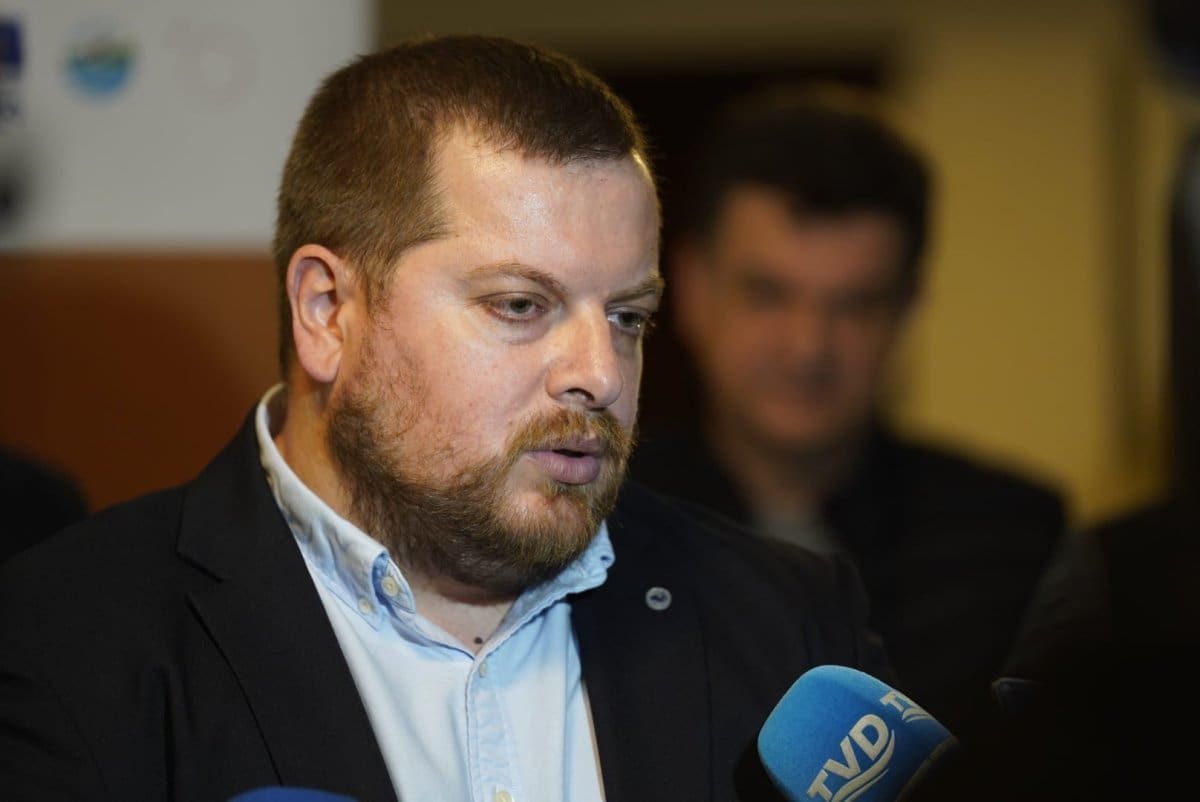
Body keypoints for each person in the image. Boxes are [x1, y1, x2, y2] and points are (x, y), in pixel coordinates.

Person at [0, 36, 892, 802]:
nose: (599, 373)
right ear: (326, 312)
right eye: (519, 305)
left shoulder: (788, 628)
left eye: (627, 316)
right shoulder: (67, 643)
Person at [628, 88, 1066, 743]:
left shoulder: (1014, 545)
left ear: (908, 310)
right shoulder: (604, 528)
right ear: (691, 289)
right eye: (768, 295)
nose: (808, 349)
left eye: (855, 305)